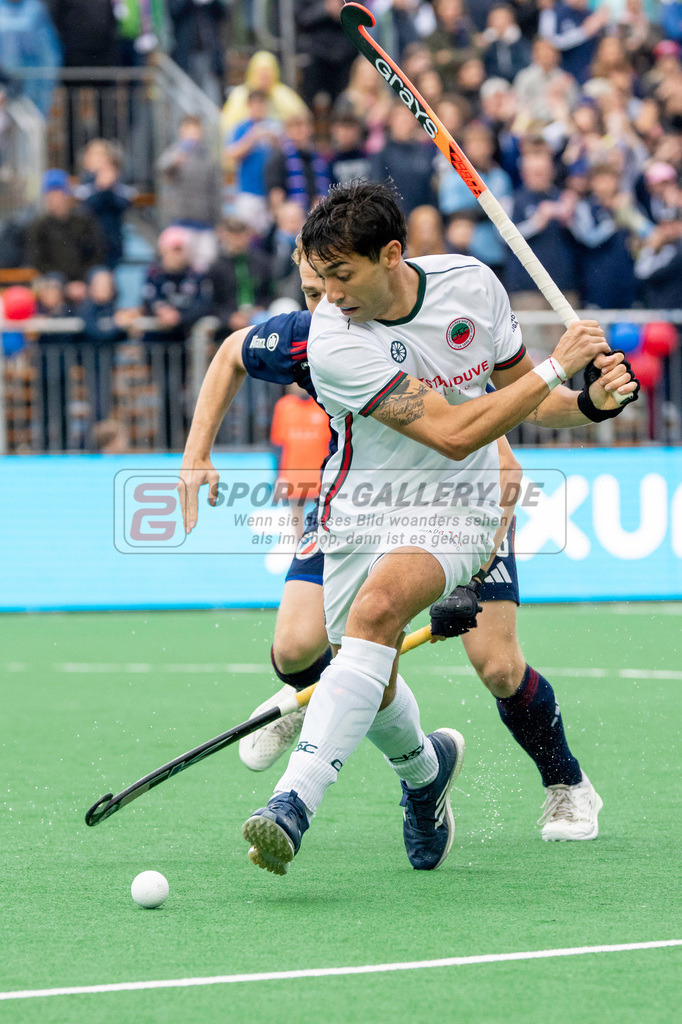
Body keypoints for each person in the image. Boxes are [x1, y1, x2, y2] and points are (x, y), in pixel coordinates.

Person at [181, 184, 638, 876]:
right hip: (365, 507)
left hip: (463, 501)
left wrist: (591, 403)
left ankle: (293, 803)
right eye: (315, 282)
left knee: (431, 636)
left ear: (391, 255)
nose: (327, 298)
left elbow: (521, 400)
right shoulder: (330, 341)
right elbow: (453, 430)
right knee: (363, 660)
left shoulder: (472, 285)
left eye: (340, 277)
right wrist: (557, 363)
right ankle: (427, 775)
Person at [26, 169, 105, 305]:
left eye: (58, 192)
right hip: (55, 278)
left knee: (102, 279)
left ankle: (103, 321)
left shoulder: (84, 220)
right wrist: (66, 286)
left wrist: (80, 282)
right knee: (52, 285)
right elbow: (37, 260)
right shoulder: (39, 225)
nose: (54, 197)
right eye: (50, 193)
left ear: (67, 194)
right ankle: (55, 323)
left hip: (84, 277)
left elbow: (97, 252)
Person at [156, 115, 222, 272]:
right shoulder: (175, 153)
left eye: (197, 130)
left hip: (205, 222)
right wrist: (176, 159)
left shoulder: (208, 158)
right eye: (189, 129)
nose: (194, 134)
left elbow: (215, 192)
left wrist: (218, 221)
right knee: (181, 263)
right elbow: (162, 169)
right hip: (182, 220)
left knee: (206, 264)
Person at [270, 382, 332, 542]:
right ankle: (301, 553)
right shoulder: (284, 407)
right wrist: (278, 477)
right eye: (294, 384)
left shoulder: (323, 406)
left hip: (320, 479)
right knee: (297, 527)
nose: (298, 387)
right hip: (293, 479)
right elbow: (278, 446)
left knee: (324, 525)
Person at [0, 0, 62, 118]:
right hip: (4, 83)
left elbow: (48, 51)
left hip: (32, 83)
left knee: (30, 125)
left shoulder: (35, 9)